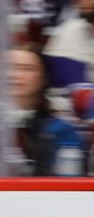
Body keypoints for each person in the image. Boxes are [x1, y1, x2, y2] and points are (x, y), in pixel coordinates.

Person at [8, 43, 86, 176]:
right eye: (10, 67)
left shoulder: (60, 129)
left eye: (27, 68)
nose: (16, 75)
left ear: (43, 77)